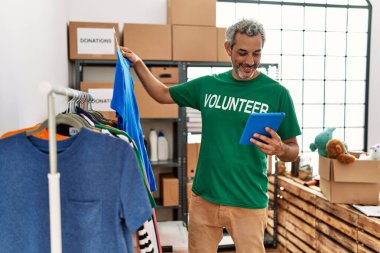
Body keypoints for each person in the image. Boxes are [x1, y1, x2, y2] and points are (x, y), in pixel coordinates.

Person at [120, 18, 301, 253]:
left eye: (257, 54)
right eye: (243, 53)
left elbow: (294, 150)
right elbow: (162, 94)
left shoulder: (277, 94)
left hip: (249, 201)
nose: (250, 62)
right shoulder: (208, 86)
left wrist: (281, 150)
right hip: (205, 199)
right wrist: (138, 63)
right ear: (228, 49)